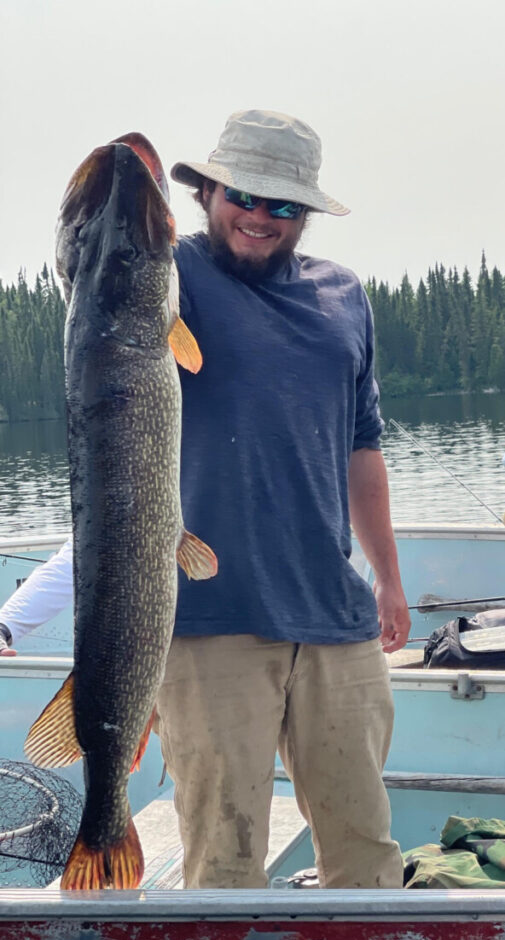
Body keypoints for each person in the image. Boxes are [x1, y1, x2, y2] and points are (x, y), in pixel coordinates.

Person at [1, 109, 411, 890]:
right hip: (209, 626)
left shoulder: (342, 296)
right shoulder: (168, 277)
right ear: (206, 192)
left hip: (335, 616)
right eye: (240, 196)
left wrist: (387, 578)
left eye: (281, 205)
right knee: (223, 862)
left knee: (366, 851)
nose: (257, 217)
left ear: (306, 214)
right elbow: (88, 284)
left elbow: (363, 445)